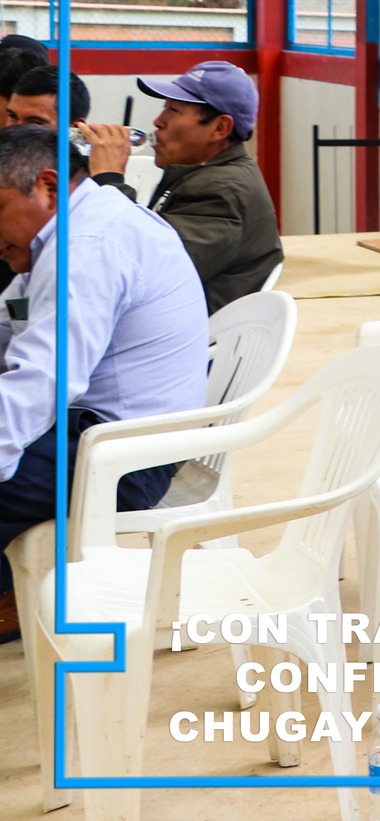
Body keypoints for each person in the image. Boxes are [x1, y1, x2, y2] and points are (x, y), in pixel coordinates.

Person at [0, 124, 209, 639]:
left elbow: (44, 379)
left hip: (124, 456)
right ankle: (13, 593)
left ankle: (14, 600)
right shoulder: (73, 226)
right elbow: (19, 332)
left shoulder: (87, 246)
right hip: (99, 428)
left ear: (47, 187)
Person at [78, 61, 281, 315]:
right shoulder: (200, 173)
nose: (157, 121)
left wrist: (109, 178)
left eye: (173, 110)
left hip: (178, 341)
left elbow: (140, 265)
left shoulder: (222, 192)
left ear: (220, 128)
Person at [7, 64, 133, 197]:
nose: (15, 130)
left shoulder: (87, 184)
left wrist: (109, 179)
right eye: (12, 116)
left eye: (35, 122)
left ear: (75, 128)